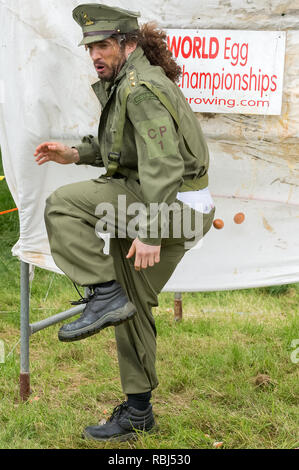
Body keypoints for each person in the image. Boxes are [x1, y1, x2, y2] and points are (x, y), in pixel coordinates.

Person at [34, 3, 215, 442]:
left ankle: (103, 293)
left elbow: (164, 164)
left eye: (103, 45)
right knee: (130, 302)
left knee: (62, 206)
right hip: (175, 205)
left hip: (174, 207)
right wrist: (75, 153)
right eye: (90, 47)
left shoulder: (140, 89)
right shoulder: (127, 84)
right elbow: (126, 150)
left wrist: (151, 231)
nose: (95, 54)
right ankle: (138, 414)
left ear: (127, 44)